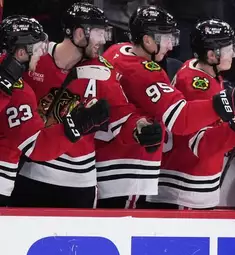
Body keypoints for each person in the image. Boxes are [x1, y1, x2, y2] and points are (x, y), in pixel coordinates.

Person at [102, 5, 235, 208]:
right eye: (165, 38)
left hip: (135, 170)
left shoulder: (117, 51)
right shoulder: (179, 79)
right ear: (212, 55)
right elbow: (187, 128)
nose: (170, 46)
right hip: (169, 183)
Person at [14, 2, 149, 208]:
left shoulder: (103, 71)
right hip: (32, 174)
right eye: (98, 33)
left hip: (78, 183)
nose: (103, 40)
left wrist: (140, 127)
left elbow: (122, 117)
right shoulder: (36, 59)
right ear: (79, 33)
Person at [143, 19, 235, 209]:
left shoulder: (200, 70)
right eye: (228, 48)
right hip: (184, 189)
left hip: (189, 186)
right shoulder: (197, 85)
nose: (233, 53)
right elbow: (199, 144)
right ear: (211, 54)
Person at [0, 15, 109, 206]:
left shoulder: (19, 87)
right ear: (20, 52)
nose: (41, 54)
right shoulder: (20, 92)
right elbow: (36, 147)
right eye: (36, 49)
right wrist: (74, 126)